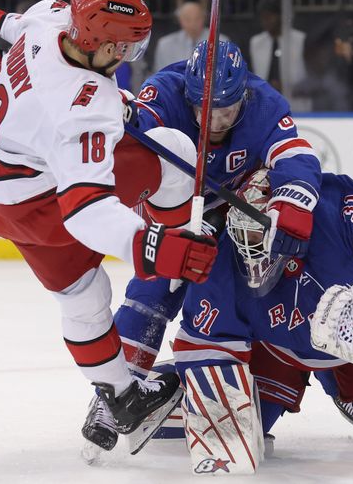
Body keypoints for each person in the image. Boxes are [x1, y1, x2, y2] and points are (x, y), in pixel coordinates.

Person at [0, 0, 218, 446]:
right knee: (172, 151)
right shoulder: (82, 109)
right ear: (97, 42)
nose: (125, 59)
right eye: (123, 48)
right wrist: (157, 247)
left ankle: (123, 397)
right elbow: (85, 212)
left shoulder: (49, 17)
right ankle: (184, 236)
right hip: (43, 201)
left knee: (81, 292)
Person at [82, 39, 322, 451]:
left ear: (242, 95)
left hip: (233, 217)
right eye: (204, 112)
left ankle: (243, 384)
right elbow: (137, 131)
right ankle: (114, 394)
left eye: (226, 112)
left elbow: (295, 155)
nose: (213, 122)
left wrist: (295, 201)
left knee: (239, 299)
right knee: (155, 287)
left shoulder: (267, 105)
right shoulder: (166, 89)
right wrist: (123, 116)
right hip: (169, 209)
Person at [174, 168, 353, 473]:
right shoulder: (224, 256)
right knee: (242, 428)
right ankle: (166, 389)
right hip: (276, 349)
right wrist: (198, 392)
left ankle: (343, 386)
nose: (250, 250)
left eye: (260, 236)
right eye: (246, 236)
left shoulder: (330, 208)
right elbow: (206, 341)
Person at [248, 0, 307, 94]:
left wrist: (286, 86)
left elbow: (306, 74)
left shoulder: (300, 39)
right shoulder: (256, 42)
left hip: (296, 97)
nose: (266, 21)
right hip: (266, 97)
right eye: (263, 17)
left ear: (280, 16)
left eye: (269, 16)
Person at [152, 1, 229, 71]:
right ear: (180, 20)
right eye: (187, 19)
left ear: (204, 18)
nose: (193, 24)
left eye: (197, 19)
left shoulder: (222, 42)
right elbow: (160, 76)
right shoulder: (165, 44)